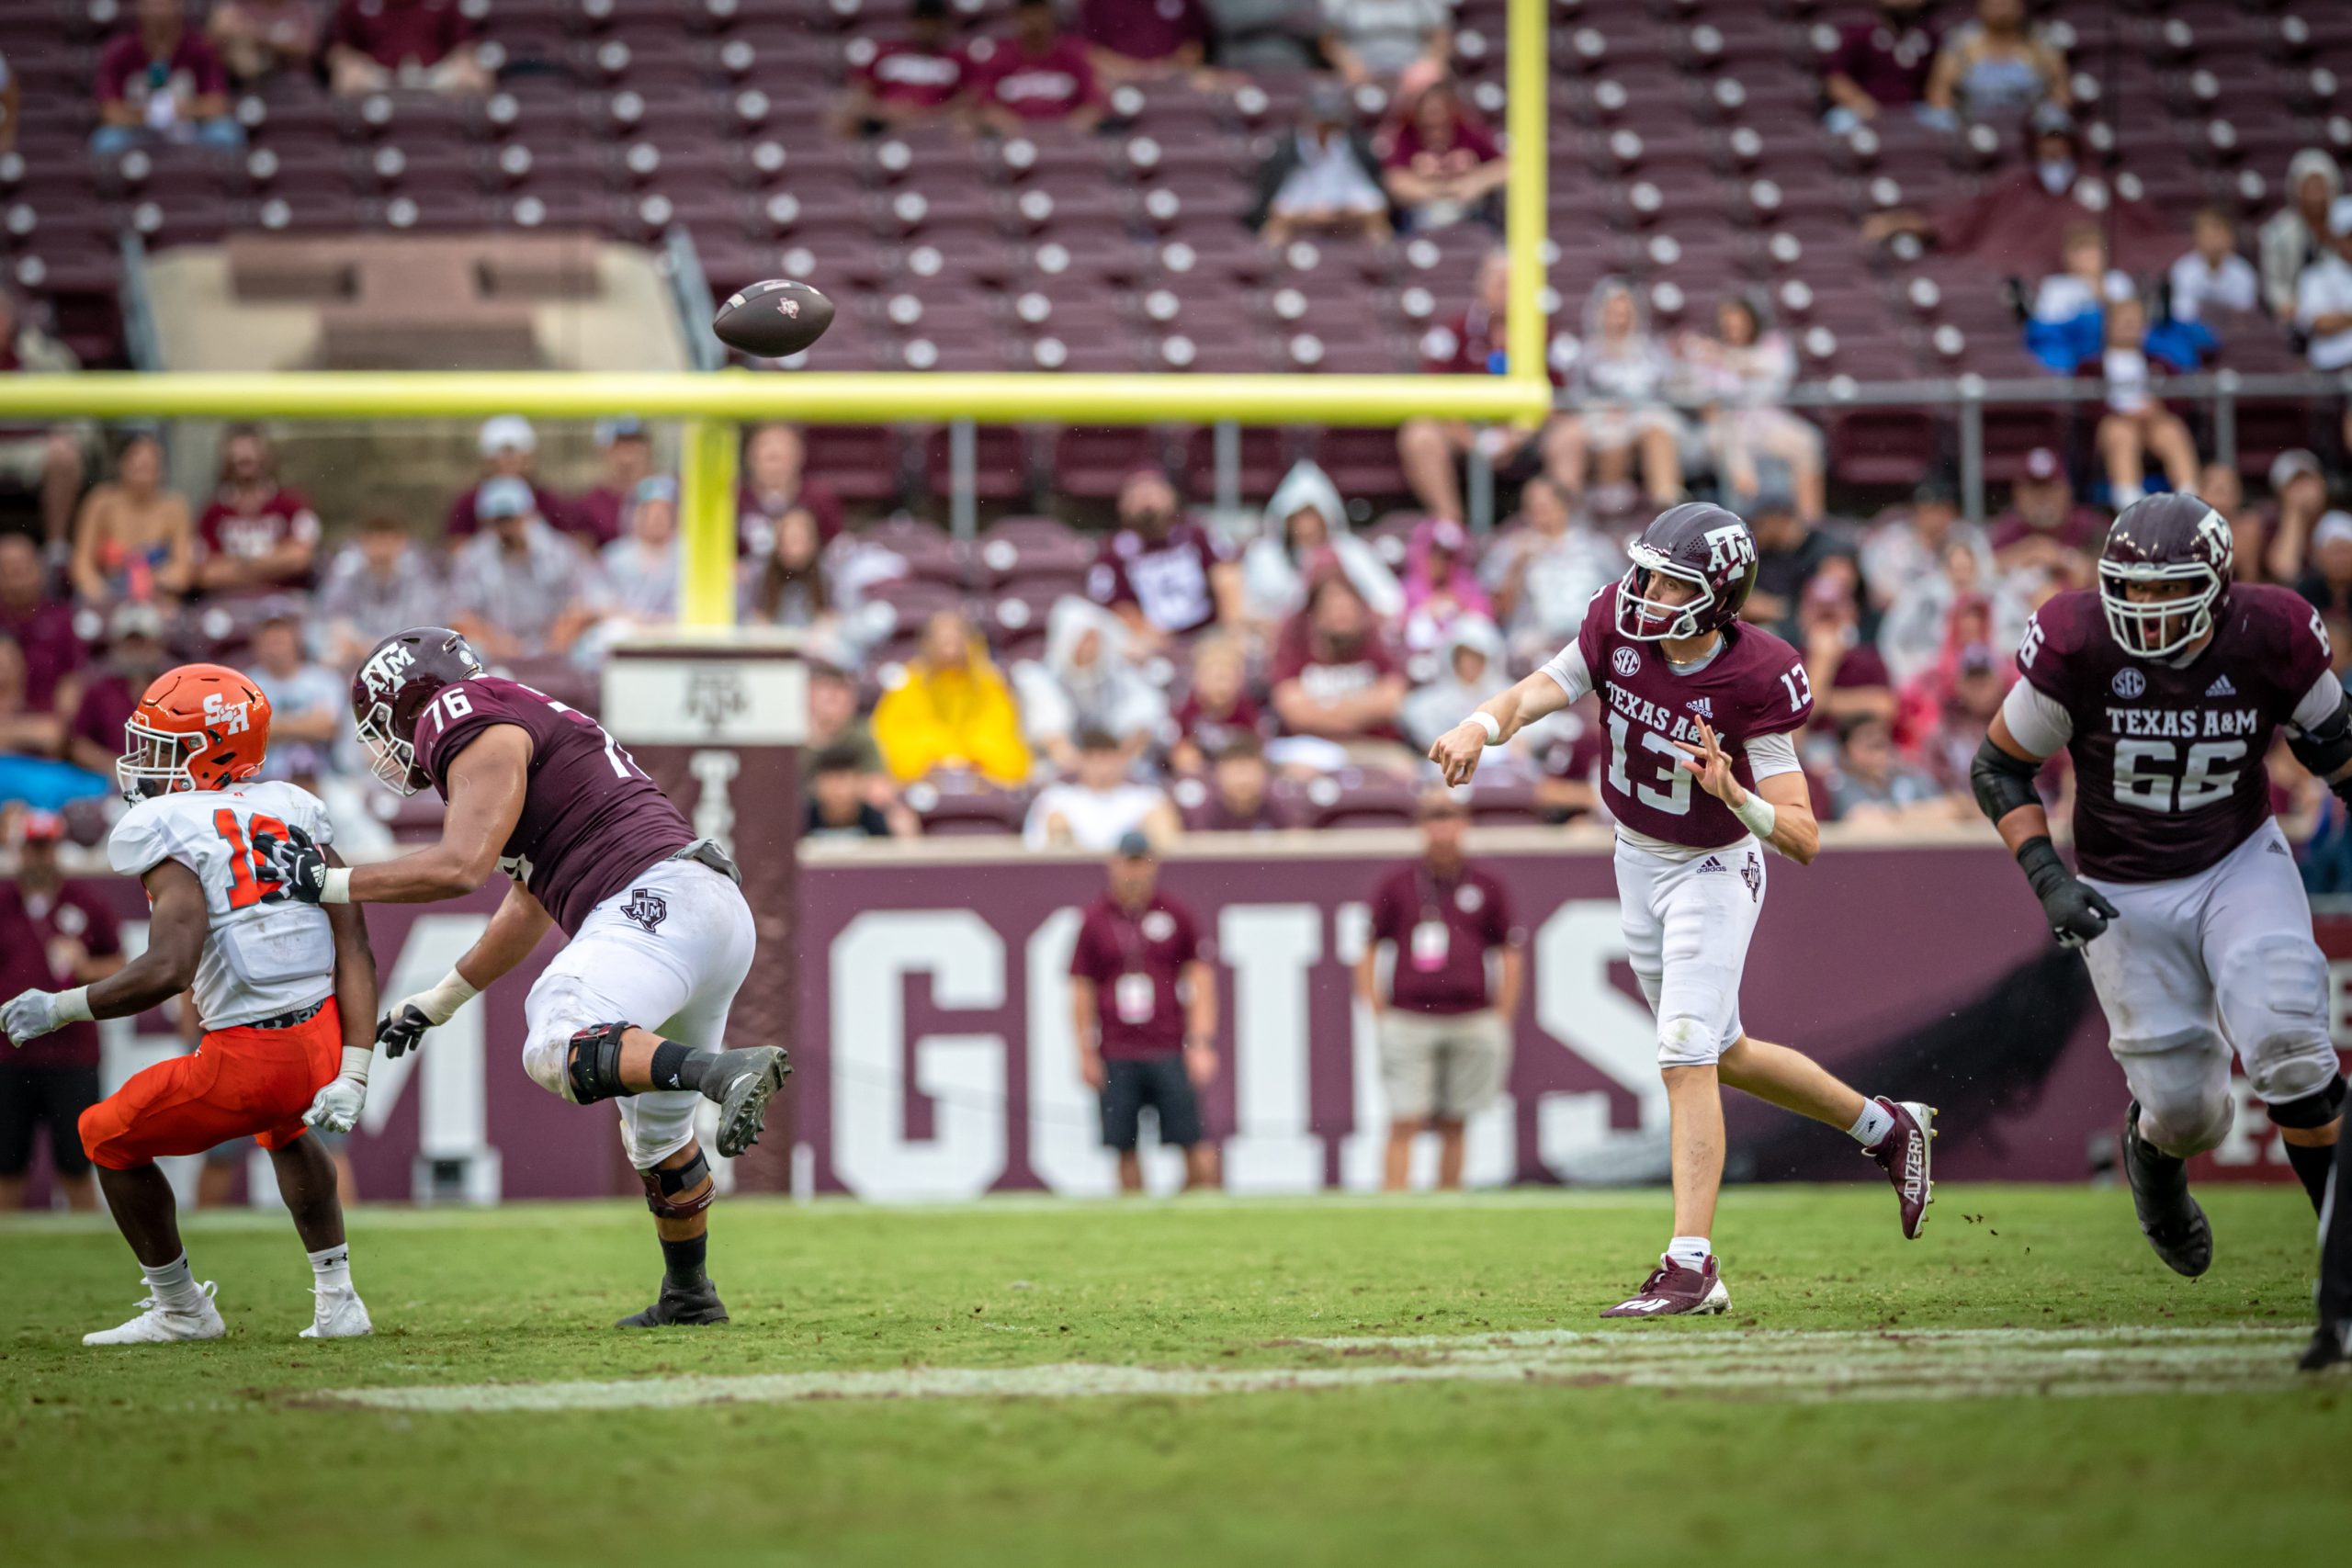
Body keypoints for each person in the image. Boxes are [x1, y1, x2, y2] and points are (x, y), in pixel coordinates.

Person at [1428, 502, 1936, 1316]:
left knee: (1684, 1050)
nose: (1647, 592)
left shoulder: (1757, 676)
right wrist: (1479, 724)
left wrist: (1735, 792)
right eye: (1650, 571)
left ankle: (1691, 1263)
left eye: (1672, 581)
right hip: (1636, 858)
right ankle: (1886, 1128)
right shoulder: (1617, 624)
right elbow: (1543, 687)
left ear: (1718, 598)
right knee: (1723, 1051)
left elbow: (1803, 837)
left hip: (1713, 863)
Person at [259, 627, 790, 1326]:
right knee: (657, 1135)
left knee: (555, 1033)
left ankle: (720, 1073)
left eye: (378, 724)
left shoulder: (462, 712)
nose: (380, 746)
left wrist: (328, 882)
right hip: (703, 906)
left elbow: (458, 867)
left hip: (653, 900)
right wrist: (440, 999)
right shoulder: (516, 717)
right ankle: (690, 1294)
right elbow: (528, 900)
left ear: (408, 702)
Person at [1973, 493, 2348, 1280]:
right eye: (2131, 588)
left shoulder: (2272, 631)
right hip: (2123, 884)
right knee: (2186, 1113)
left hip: (2238, 858)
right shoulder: (2078, 640)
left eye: (2165, 588)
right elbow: (1999, 766)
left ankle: (2341, 1261)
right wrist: (2049, 879)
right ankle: (2151, 1156)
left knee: (2290, 1042)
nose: (2143, 608)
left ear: (2214, 584)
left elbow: (2337, 747)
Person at [1, 663, 377, 1343]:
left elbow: (169, 968)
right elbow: (355, 945)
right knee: (287, 1129)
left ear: (212, 751)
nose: (143, 761)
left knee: (104, 1134)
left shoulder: (168, 825)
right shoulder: (293, 806)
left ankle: (180, 1307)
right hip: (319, 1034)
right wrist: (352, 1067)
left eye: (162, 746)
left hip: (250, 1054)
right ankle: (339, 1298)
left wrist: (61, 1007)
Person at [1358, 790, 1521, 1191]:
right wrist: (1377, 1007)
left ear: (1464, 825)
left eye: (1449, 818)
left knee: (1456, 1119)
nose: (1442, 828)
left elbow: (1509, 951)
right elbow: (1369, 947)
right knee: (1405, 1117)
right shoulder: (1398, 883)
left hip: (1472, 1014)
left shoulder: (1486, 883)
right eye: (1433, 818)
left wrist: (1502, 1013)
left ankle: (1447, 1201)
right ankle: (1394, 1203)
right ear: (1421, 827)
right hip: (1410, 1014)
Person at [1069, 829, 1218, 1193]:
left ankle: (1194, 1214)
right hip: (1117, 1048)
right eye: (1127, 862)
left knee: (1192, 1141)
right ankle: (1135, 1218)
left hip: (1169, 1045)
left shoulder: (1175, 914)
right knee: (1123, 1146)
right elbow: (1082, 989)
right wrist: (1085, 1050)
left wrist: (1201, 1042)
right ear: (1113, 864)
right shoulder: (1095, 920)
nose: (1134, 872)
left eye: (1141, 862)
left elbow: (1200, 980)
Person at [1862, 104, 2175, 276]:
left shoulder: (2098, 184)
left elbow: (2143, 227)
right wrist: (1914, 222)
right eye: (2044, 138)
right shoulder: (2015, 184)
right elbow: (1970, 216)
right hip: (2029, 280)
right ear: (2032, 142)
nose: (2052, 146)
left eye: (2058, 137)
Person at [1396, 249, 1579, 524]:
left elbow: (1561, 398)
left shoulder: (1545, 331)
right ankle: (1450, 524)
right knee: (1419, 434)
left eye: (1513, 284)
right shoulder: (1455, 330)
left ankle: (1561, 525)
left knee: (1572, 434)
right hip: (1465, 430)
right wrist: (1471, 439)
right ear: (1481, 286)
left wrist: (1518, 434)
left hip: (1527, 433)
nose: (1506, 291)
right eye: (1499, 282)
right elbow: (1433, 394)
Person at [0, 811, 119, 1213]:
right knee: (6, 1165)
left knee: (77, 1161)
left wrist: (85, 967)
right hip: (9, 1055)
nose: (39, 857)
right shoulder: (3, 903)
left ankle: (85, 1249)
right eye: (32, 847)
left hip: (73, 1054)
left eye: (45, 847)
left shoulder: (86, 903)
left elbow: (121, 967)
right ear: (19, 851)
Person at [1679, 295, 1825, 519]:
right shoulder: (1704, 354)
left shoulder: (1771, 345)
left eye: (1739, 322)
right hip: (1725, 426)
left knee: (1806, 443)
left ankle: (1810, 521)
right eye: (1728, 324)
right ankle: (1745, 526)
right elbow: (1703, 402)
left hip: (1767, 422)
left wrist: (1725, 356)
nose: (1734, 329)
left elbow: (1775, 370)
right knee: (1734, 453)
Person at [1266, 566, 1412, 773]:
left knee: (1404, 769)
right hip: (1311, 746)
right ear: (1315, 614)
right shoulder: (1294, 644)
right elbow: (1294, 711)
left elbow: (1392, 702)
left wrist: (1326, 708)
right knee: (1299, 772)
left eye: (1347, 608)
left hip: (1371, 745)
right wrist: (1364, 707)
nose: (1341, 615)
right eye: (1332, 608)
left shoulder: (1377, 641)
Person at [871, 610, 1033, 786]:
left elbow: (1004, 739)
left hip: (982, 780)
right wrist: (933, 757)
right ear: (926, 643)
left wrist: (972, 759)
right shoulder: (906, 683)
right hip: (921, 783)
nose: (948, 641)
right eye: (940, 636)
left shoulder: (990, 683)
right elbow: (888, 739)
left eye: (956, 634)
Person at [1565, 278, 1687, 508]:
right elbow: (1577, 395)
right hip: (1604, 419)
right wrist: (1603, 409)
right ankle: (1612, 505)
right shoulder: (1588, 353)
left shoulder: (1651, 350)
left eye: (1624, 314)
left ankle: (1667, 503)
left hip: (1646, 415)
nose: (1619, 320)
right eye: (1613, 313)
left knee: (1657, 433)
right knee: (1612, 438)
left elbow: (1667, 389)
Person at [1238, 457, 1401, 630]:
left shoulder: (1351, 551)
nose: (1307, 527)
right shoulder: (1264, 555)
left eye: (1313, 517)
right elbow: (1245, 608)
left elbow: (1389, 600)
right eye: (1300, 518)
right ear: (1286, 519)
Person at [447, 477, 597, 660]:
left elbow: (583, 604)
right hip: (495, 653)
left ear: (528, 515)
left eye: (512, 519)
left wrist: (556, 642)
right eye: (500, 521)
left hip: (556, 648)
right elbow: (461, 615)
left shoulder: (560, 552)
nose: (507, 528)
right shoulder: (472, 558)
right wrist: (497, 642)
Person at [1086, 466, 1242, 642]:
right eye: (1137, 496)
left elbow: (1227, 576)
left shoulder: (1199, 534)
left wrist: (1231, 632)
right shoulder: (1112, 551)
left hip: (1206, 634)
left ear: (1171, 496)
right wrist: (1150, 635)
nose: (1147, 502)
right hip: (1146, 641)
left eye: (1153, 493)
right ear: (1122, 504)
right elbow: (1116, 606)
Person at [1013, 596, 1168, 772]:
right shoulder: (1038, 678)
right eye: (1084, 639)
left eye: (1095, 640)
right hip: (1058, 772)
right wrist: (1086, 768)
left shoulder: (1118, 678)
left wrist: (1116, 763)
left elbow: (1145, 713)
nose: (1090, 647)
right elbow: (1054, 738)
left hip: (1114, 772)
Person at [1484, 476, 1620, 666]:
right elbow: (1500, 610)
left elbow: (1622, 596)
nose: (1539, 513)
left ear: (1564, 506)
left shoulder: (1596, 546)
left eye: (1545, 506)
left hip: (1590, 636)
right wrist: (1517, 567)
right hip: (1533, 643)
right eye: (1533, 508)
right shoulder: (1509, 549)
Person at [0, 286, 91, 551]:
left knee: (64, 455)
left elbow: (80, 410)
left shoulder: (47, 357)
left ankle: (57, 552)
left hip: (33, 446)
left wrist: (70, 434)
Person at [1248, 83, 1391, 247]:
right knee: (1277, 225)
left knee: (1377, 220)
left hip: (1345, 208)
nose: (1327, 131)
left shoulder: (1355, 146)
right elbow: (1273, 205)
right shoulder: (1284, 151)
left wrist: (1343, 210)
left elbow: (1373, 198)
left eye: (1332, 125)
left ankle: (1383, 263)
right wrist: (1309, 213)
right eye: (1323, 125)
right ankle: (1270, 265)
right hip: (1300, 208)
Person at [93, 0, 243, 155]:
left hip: (190, 128)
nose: (159, 11)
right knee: (108, 140)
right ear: (140, 7)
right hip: (137, 130)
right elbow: (108, 111)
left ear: (179, 5)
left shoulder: (200, 48)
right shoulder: (120, 50)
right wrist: (147, 114)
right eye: (152, 4)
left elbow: (217, 103)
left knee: (225, 133)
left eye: (165, 4)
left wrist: (178, 110)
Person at [2093, 293, 2200, 509]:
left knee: (2171, 429)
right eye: (2124, 320)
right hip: (2115, 427)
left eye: (2135, 321)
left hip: (2153, 425)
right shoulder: (2091, 366)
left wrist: (2158, 408)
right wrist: (2125, 414)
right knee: (2120, 432)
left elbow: (2180, 400)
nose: (2130, 325)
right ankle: (2129, 503)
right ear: (2108, 325)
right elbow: (2087, 406)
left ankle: (2189, 499)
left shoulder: (2160, 363)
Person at [70, 433, 195, 605]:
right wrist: (101, 594)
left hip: (156, 595)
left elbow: (182, 571)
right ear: (121, 464)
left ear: (161, 469)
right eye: (136, 459)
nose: (143, 463)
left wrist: (149, 584)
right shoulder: (101, 502)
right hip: (106, 592)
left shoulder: (175, 507)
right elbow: (81, 564)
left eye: (151, 461)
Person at [195, 425, 321, 593]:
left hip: (285, 604)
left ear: (266, 457)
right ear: (227, 460)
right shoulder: (212, 512)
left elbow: (301, 558)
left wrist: (238, 565)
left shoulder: (292, 504)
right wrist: (275, 563)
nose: (245, 459)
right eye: (239, 457)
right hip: (228, 605)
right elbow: (206, 574)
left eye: (251, 454)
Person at [1379, 76, 1506, 234]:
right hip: (1422, 213)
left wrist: (1477, 181)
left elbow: (1507, 166)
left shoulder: (1468, 130)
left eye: (1439, 107)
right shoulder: (1404, 135)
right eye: (1427, 107)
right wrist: (1441, 190)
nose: (1433, 114)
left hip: (1472, 212)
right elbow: (1394, 181)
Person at [316, 514, 442, 667]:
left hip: (404, 659)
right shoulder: (346, 571)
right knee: (330, 654)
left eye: (388, 542)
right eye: (375, 542)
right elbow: (334, 622)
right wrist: (365, 648)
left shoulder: (418, 573)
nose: (382, 551)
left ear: (402, 541)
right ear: (362, 541)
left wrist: (378, 651)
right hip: (355, 657)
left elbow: (422, 630)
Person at [1024, 727, 1180, 850]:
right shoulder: (1056, 798)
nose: (1100, 766)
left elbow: (1169, 845)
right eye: (1092, 757)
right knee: (1057, 824)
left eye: (1106, 756)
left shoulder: (1147, 799)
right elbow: (1037, 848)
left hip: (1130, 880)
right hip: (1072, 881)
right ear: (1080, 760)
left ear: (1120, 758)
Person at [962, 0, 1105, 134]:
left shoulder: (1072, 55)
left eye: (1040, 15)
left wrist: (1070, 128)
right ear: (1017, 18)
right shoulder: (1000, 57)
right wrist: (1009, 124)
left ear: (1051, 17)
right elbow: (984, 102)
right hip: (1013, 142)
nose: (1035, 22)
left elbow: (1094, 103)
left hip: (1066, 142)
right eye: (1029, 15)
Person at [1921, 0, 2065, 127]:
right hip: (1973, 128)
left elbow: (2061, 90)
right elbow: (1939, 92)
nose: (2000, 7)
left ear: (2021, 6)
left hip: (2030, 128)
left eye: (2006, 2)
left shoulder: (2040, 41)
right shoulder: (1960, 42)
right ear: (1980, 5)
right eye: (1993, 2)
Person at [246, 603, 343, 783]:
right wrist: (305, 724)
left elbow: (326, 727)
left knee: (349, 807)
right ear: (257, 640)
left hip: (323, 779)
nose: (276, 639)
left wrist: (274, 727)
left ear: (296, 636)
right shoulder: (246, 684)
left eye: (282, 632)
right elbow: (250, 734)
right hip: (263, 781)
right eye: (269, 633)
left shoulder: (324, 679)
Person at [840, 0, 967, 135]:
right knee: (845, 117)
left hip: (937, 129)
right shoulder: (887, 54)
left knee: (965, 124)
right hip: (884, 126)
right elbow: (861, 93)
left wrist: (923, 115)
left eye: (934, 24)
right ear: (912, 23)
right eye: (923, 23)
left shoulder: (958, 60)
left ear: (945, 25)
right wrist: (885, 111)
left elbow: (968, 100)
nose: (928, 30)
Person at [1821, 0, 1943, 135]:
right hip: (1866, 108)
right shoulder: (1860, 31)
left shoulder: (1931, 35)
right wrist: (1862, 104)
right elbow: (1836, 80)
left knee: (1944, 119)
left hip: (1914, 111)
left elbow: (1939, 86)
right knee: (1841, 121)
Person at [444, 416, 572, 543]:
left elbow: (569, 551)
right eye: (501, 456)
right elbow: (457, 553)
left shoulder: (549, 502)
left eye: (513, 456)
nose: (507, 462)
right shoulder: (467, 504)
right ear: (487, 460)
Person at [1988, 447, 2104, 588]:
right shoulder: (2005, 530)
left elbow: (2112, 577)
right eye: (2035, 489)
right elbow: (1980, 575)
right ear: (2018, 493)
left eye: (2050, 488)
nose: (2043, 497)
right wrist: (2026, 552)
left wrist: (2063, 557)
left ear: (2067, 490)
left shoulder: (2091, 526)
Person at [325, 0, 492, 96]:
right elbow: (338, 49)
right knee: (348, 77)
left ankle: (463, 145)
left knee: (474, 76)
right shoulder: (356, 4)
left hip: (434, 77)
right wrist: (352, 62)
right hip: (378, 77)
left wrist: (462, 61)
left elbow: (464, 45)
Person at [0, 531, 85, 714]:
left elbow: (73, 678)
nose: (17, 581)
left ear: (39, 570)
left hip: (46, 719)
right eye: (8, 571)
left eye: (22, 569)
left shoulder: (61, 617)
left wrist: (61, 722)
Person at [2294, 198, 2352, 460]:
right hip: (2331, 366)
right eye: (2349, 236)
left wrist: (2341, 318)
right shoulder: (2317, 275)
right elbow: (2318, 323)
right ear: (2336, 238)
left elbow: (2332, 321)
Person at [1400, 613, 1507, 753]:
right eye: (1465, 657)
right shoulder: (1432, 701)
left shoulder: (1503, 694)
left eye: (1476, 658)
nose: (1470, 664)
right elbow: (1414, 717)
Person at [1163, 633, 1263, 776]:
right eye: (1214, 678)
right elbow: (1180, 745)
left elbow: (1254, 749)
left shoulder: (1246, 710)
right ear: (1198, 680)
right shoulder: (1188, 708)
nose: (1220, 687)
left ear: (1239, 680)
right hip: (1201, 768)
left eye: (1226, 678)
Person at [2260, 150, 2342, 322]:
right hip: (2294, 311)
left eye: (2321, 187)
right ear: (2297, 189)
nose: (2316, 195)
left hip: (2339, 310)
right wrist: (2286, 304)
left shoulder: (2343, 227)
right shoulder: (2278, 231)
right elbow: (2273, 282)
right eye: (2310, 188)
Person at [1826, 714, 1950, 825]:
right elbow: (1859, 819)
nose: (1875, 739)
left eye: (1880, 735)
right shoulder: (1837, 784)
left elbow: (1950, 809)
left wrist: (1894, 816)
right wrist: (1917, 814)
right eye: (1865, 736)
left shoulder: (1909, 774)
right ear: (1845, 751)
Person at [738, 423, 842, 552]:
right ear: (750, 456)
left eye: (782, 454)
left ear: (799, 455)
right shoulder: (734, 499)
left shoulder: (819, 497)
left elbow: (833, 549)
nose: (774, 465)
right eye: (767, 455)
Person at [1398, 516, 1490, 654]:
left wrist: (1460, 606)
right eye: (1434, 554)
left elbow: (1485, 618)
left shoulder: (1466, 584)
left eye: (1447, 557)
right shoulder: (1409, 587)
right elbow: (1399, 623)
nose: (1440, 562)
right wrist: (1426, 609)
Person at [596, 477, 681, 626]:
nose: (657, 517)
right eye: (650, 511)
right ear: (637, 514)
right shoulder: (615, 557)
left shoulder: (688, 557)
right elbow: (601, 603)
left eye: (664, 511)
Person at [568, 417, 653, 550]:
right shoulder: (590, 505)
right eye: (620, 444)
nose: (628, 452)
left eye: (634, 442)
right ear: (603, 449)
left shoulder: (671, 495)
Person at [1319, 0, 1451, 86]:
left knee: (1431, 78)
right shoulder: (1341, 3)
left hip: (1413, 70)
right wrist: (1348, 63)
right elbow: (1328, 41)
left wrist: (1426, 63)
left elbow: (1441, 38)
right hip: (1361, 69)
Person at [2166, 209, 2258, 326]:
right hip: (2195, 335)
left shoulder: (2244, 273)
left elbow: (2245, 315)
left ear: (2230, 238)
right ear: (2197, 237)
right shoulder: (2182, 270)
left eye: (2218, 234)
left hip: (2234, 335)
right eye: (2208, 235)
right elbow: (2183, 315)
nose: (2214, 241)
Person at [1081, 0, 1211, 82]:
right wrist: (1135, 71)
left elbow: (1196, 44)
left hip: (1173, 83)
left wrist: (1168, 67)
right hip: (1119, 85)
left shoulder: (1187, 3)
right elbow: (1088, 50)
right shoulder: (1097, 4)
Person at [1182, 733, 1282, 830]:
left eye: (1249, 772)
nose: (1243, 780)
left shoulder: (1280, 805)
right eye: (1236, 772)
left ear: (1264, 774)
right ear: (1218, 774)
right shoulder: (1203, 809)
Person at [805, 743, 904, 841]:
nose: (838, 792)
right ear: (816, 785)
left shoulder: (876, 821)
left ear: (860, 783)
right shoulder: (802, 821)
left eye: (844, 781)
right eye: (830, 782)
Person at [208, 0, 321, 85]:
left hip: (293, 82)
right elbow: (216, 35)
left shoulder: (300, 8)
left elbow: (307, 46)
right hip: (246, 82)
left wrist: (259, 35)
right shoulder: (242, 6)